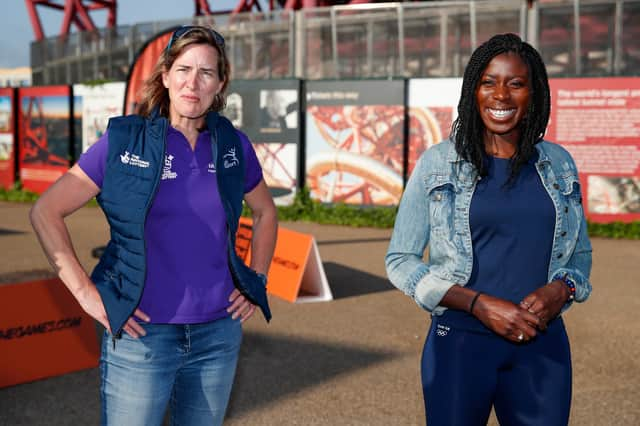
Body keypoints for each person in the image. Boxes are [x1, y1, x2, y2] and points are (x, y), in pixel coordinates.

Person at [30, 25, 278, 426]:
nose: (192, 83)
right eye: (183, 69)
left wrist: (257, 280)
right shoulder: (124, 141)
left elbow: (266, 213)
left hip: (218, 335)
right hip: (140, 336)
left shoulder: (233, 145)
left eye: (206, 73)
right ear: (164, 76)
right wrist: (88, 296)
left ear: (221, 84)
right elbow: (45, 211)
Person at [385, 33, 592, 426]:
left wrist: (561, 288)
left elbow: (579, 255)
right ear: (472, 91)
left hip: (542, 345)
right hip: (460, 345)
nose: (501, 95)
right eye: (488, 82)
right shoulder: (439, 163)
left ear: (535, 94)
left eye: (515, 83)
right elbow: (400, 259)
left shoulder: (559, 164)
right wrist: (477, 304)